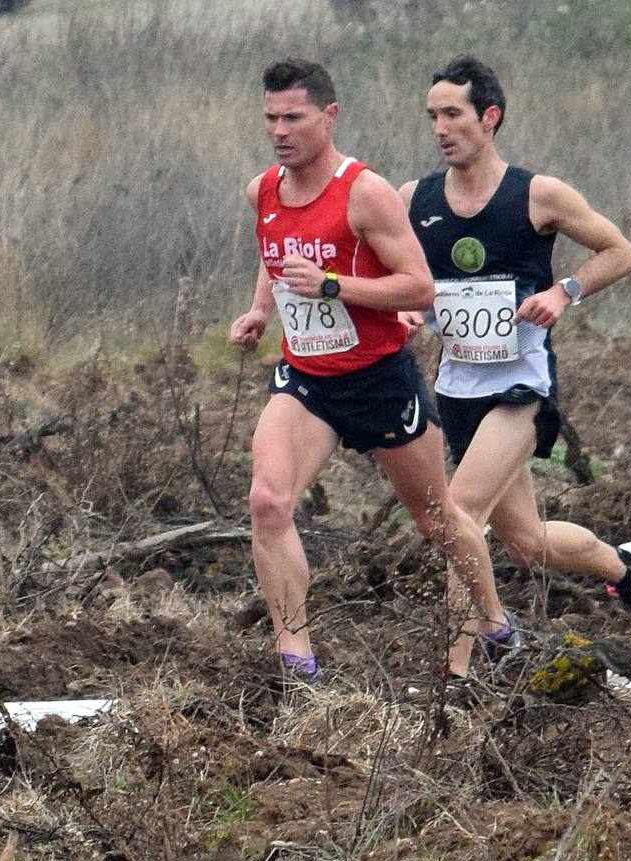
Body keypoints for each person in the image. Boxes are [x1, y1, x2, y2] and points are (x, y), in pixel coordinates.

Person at [409, 54, 631, 675]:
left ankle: (460, 672)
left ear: (489, 117)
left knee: (458, 516)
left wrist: (563, 292)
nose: (441, 128)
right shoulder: (413, 200)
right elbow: (396, 277)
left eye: (453, 114)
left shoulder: (538, 194)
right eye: (433, 116)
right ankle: (625, 568)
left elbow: (620, 251)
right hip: (459, 386)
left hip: (521, 387)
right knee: (527, 542)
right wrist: (406, 311)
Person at [225, 59, 462, 682]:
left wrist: (333, 286)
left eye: (293, 117)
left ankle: (493, 626)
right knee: (267, 501)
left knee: (437, 523)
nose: (279, 130)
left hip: (379, 379)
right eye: (271, 117)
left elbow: (419, 288)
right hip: (307, 380)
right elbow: (275, 255)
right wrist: (258, 310)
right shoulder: (263, 190)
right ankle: (295, 660)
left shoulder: (366, 192)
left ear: (328, 116)